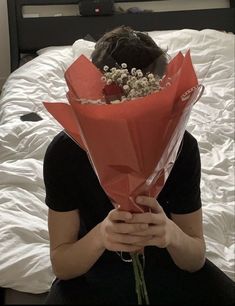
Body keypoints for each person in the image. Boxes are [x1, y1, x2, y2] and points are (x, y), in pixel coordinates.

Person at [43, 26, 234, 305]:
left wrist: (170, 234)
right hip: (93, 272)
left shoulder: (181, 146)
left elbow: (194, 258)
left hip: (169, 268)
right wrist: (101, 236)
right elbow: (62, 263)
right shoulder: (65, 152)